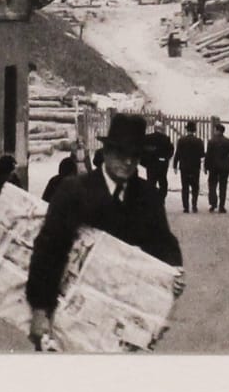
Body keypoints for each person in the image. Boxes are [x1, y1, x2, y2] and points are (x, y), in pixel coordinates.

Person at [26, 113, 185, 349]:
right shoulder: (74, 191)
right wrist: (39, 310)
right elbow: (48, 251)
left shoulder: (147, 196)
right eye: (122, 154)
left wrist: (173, 270)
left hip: (120, 322)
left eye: (135, 156)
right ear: (107, 153)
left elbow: (163, 242)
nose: (128, 162)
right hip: (68, 314)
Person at [173, 120, 205, 213]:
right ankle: (194, 205)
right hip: (195, 167)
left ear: (187, 130)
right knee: (195, 187)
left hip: (184, 167)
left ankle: (186, 207)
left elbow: (177, 154)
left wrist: (175, 165)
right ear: (194, 130)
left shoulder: (181, 140)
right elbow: (202, 155)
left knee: (185, 187)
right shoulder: (199, 141)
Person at [205, 122, 229, 213]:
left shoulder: (211, 142)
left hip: (213, 167)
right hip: (224, 167)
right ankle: (222, 206)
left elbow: (208, 155)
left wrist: (206, 166)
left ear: (217, 130)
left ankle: (213, 204)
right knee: (223, 186)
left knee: (212, 185)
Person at [142, 117, 174, 201]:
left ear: (155, 128)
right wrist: (166, 159)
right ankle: (160, 198)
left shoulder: (147, 138)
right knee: (163, 183)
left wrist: (145, 163)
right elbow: (171, 151)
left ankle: (151, 200)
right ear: (162, 129)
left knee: (151, 182)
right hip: (162, 164)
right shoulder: (166, 139)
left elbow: (142, 150)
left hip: (151, 165)